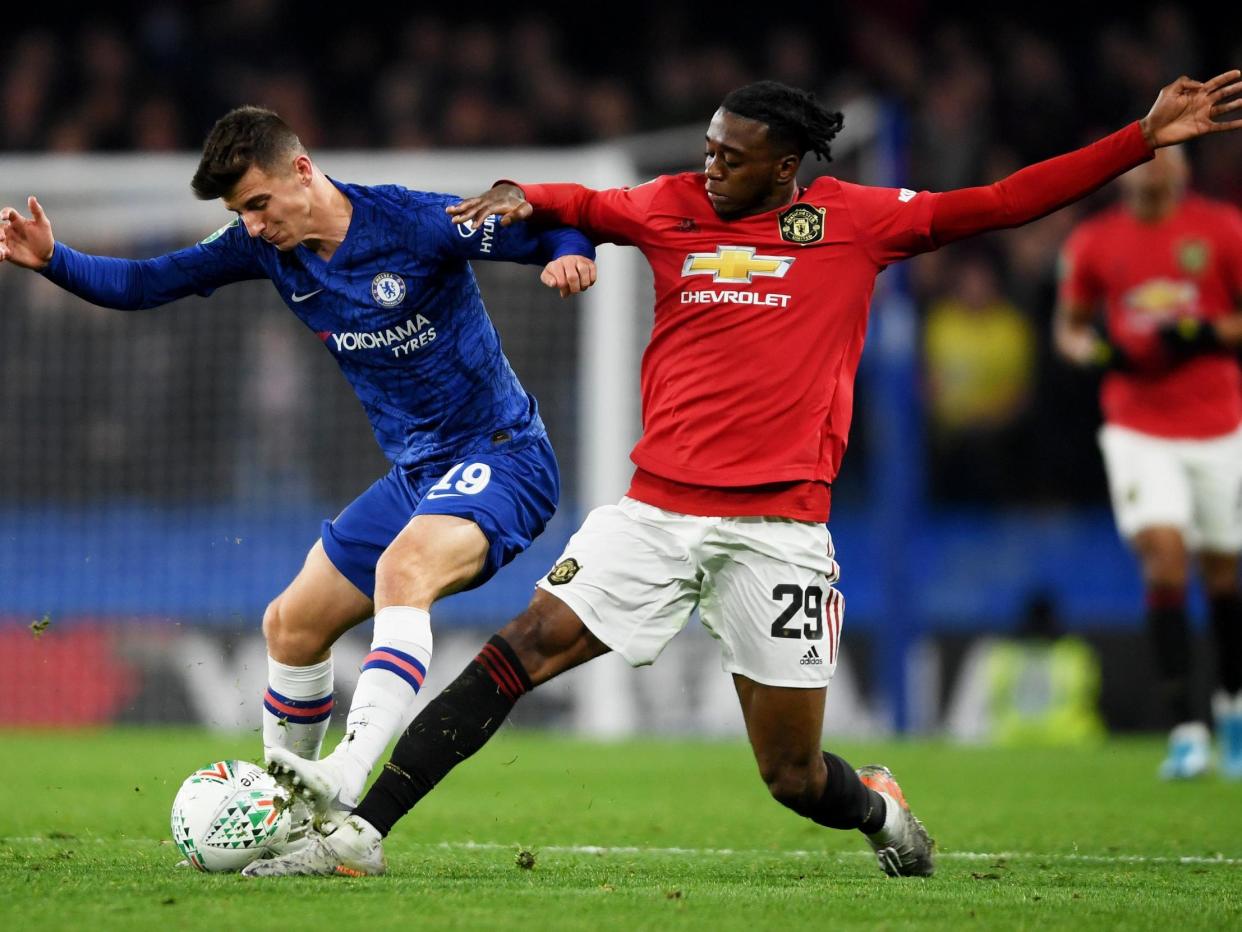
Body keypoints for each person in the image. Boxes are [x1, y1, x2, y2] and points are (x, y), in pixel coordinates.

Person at [245, 71, 1242, 879]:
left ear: (787, 164)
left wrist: (1136, 139)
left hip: (780, 535)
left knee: (794, 774)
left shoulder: (857, 222)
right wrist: (522, 198)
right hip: (653, 512)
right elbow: (580, 202)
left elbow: (997, 203)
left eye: (731, 153)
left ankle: (876, 803)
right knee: (516, 652)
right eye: (708, 147)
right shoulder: (673, 207)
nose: (709, 165)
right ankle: (357, 831)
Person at [0, 106, 597, 814]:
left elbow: (552, 221)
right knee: (291, 624)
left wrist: (570, 249)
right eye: (238, 211)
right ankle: (288, 817)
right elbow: (149, 282)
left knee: (401, 571)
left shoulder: (413, 222)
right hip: (416, 476)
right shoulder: (263, 249)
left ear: (302, 172)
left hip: (503, 456)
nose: (251, 223)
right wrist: (52, 259)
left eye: (257, 203)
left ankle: (346, 776)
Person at [1053, 145, 1242, 780]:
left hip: (1218, 422)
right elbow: (1070, 329)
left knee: (1221, 574)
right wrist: (1098, 354)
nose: (1149, 169)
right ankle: (1186, 730)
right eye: (1141, 158)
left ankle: (1233, 713)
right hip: (1138, 426)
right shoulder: (1094, 241)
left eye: (1163, 158)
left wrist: (1201, 334)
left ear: (1183, 170)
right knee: (1164, 560)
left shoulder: (1220, 230)